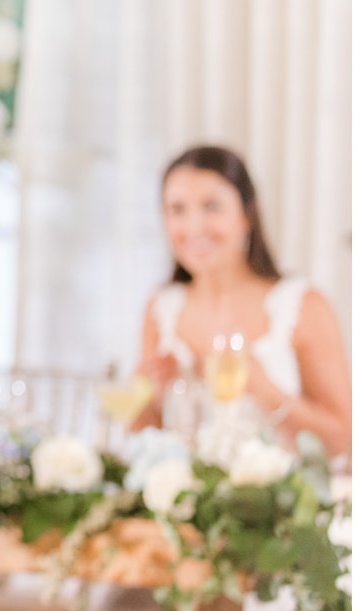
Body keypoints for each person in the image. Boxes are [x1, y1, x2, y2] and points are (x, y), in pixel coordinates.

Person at [132, 145, 350, 457]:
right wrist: (146, 399)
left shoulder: (304, 305)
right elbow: (144, 446)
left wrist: (265, 390)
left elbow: (342, 442)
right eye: (177, 210)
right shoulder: (161, 309)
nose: (195, 227)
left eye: (211, 206)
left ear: (247, 214)